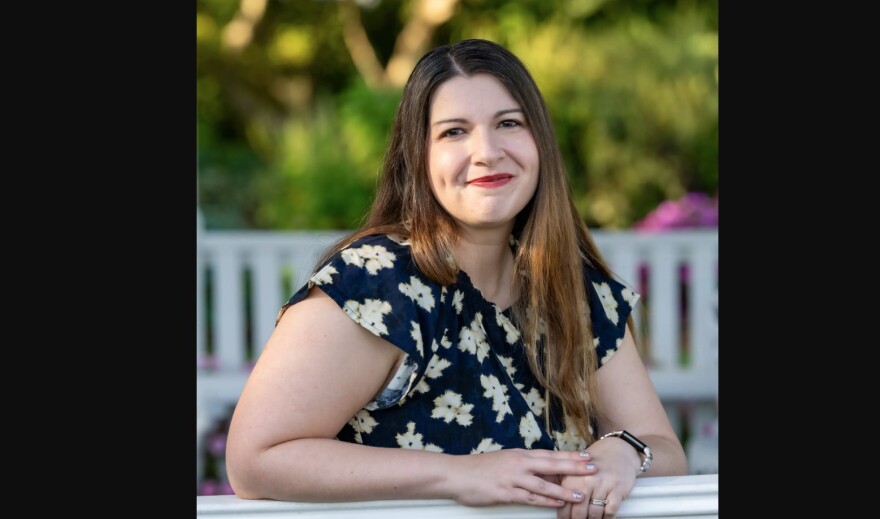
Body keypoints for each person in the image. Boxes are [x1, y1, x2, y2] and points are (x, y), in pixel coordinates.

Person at [225, 38, 687, 518]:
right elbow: (256, 459)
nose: (486, 152)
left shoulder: (576, 289)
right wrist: (459, 474)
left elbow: (668, 453)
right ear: (418, 156)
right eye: (453, 132)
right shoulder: (378, 282)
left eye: (508, 123)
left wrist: (625, 452)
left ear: (540, 143)